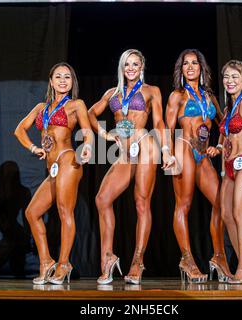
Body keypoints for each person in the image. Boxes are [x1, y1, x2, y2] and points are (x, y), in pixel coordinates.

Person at [88, 49, 175, 285]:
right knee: (102, 199)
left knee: (141, 202)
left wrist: (166, 150)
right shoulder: (112, 93)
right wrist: (105, 135)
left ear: (142, 67)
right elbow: (90, 114)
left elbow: (158, 122)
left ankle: (137, 261)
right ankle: (108, 257)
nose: (131, 68)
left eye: (135, 64)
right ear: (122, 67)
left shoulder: (151, 91)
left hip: (145, 144)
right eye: (127, 64)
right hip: (124, 152)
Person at [14, 62, 93, 285]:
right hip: (52, 169)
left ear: (72, 82)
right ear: (51, 81)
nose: (62, 81)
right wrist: (33, 148)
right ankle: (46, 261)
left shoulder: (76, 105)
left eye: (67, 77)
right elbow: (19, 130)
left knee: (64, 211)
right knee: (32, 213)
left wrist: (86, 147)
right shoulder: (42, 108)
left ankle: (64, 263)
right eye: (58, 77)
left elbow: (88, 133)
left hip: (68, 160)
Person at [165, 49, 231, 283]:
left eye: (195, 63)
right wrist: (167, 153)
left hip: (203, 153)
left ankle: (219, 256)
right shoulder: (177, 96)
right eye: (186, 63)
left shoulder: (209, 96)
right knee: (183, 204)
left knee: (222, 204)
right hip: (183, 147)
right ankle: (187, 258)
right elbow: (168, 128)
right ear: (181, 69)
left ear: (201, 68)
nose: (190, 67)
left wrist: (220, 147)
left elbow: (225, 125)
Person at [207, 59, 242, 284]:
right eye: (226, 77)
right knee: (227, 215)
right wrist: (217, 148)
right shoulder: (228, 109)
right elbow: (225, 136)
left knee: (239, 214)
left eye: (234, 77)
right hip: (228, 166)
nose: (229, 81)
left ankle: (241, 266)